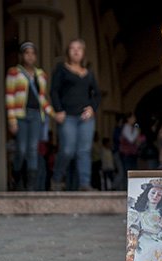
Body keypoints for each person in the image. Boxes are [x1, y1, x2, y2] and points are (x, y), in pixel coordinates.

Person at [50, 38, 101, 191]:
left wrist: (92, 108)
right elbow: (54, 91)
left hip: (85, 118)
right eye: (72, 48)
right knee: (67, 150)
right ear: (68, 52)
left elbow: (97, 94)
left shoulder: (89, 74)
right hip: (67, 117)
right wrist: (58, 110)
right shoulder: (61, 69)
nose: (76, 51)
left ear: (83, 53)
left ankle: (84, 184)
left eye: (79, 48)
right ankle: (57, 178)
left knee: (84, 151)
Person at [5, 41, 54, 191]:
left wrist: (53, 113)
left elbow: (42, 98)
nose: (30, 56)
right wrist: (11, 120)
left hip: (36, 116)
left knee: (33, 149)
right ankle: (17, 177)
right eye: (27, 53)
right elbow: (10, 96)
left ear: (36, 57)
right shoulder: (14, 72)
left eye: (33, 53)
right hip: (20, 116)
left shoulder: (41, 75)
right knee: (21, 149)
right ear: (22, 56)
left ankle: (31, 187)